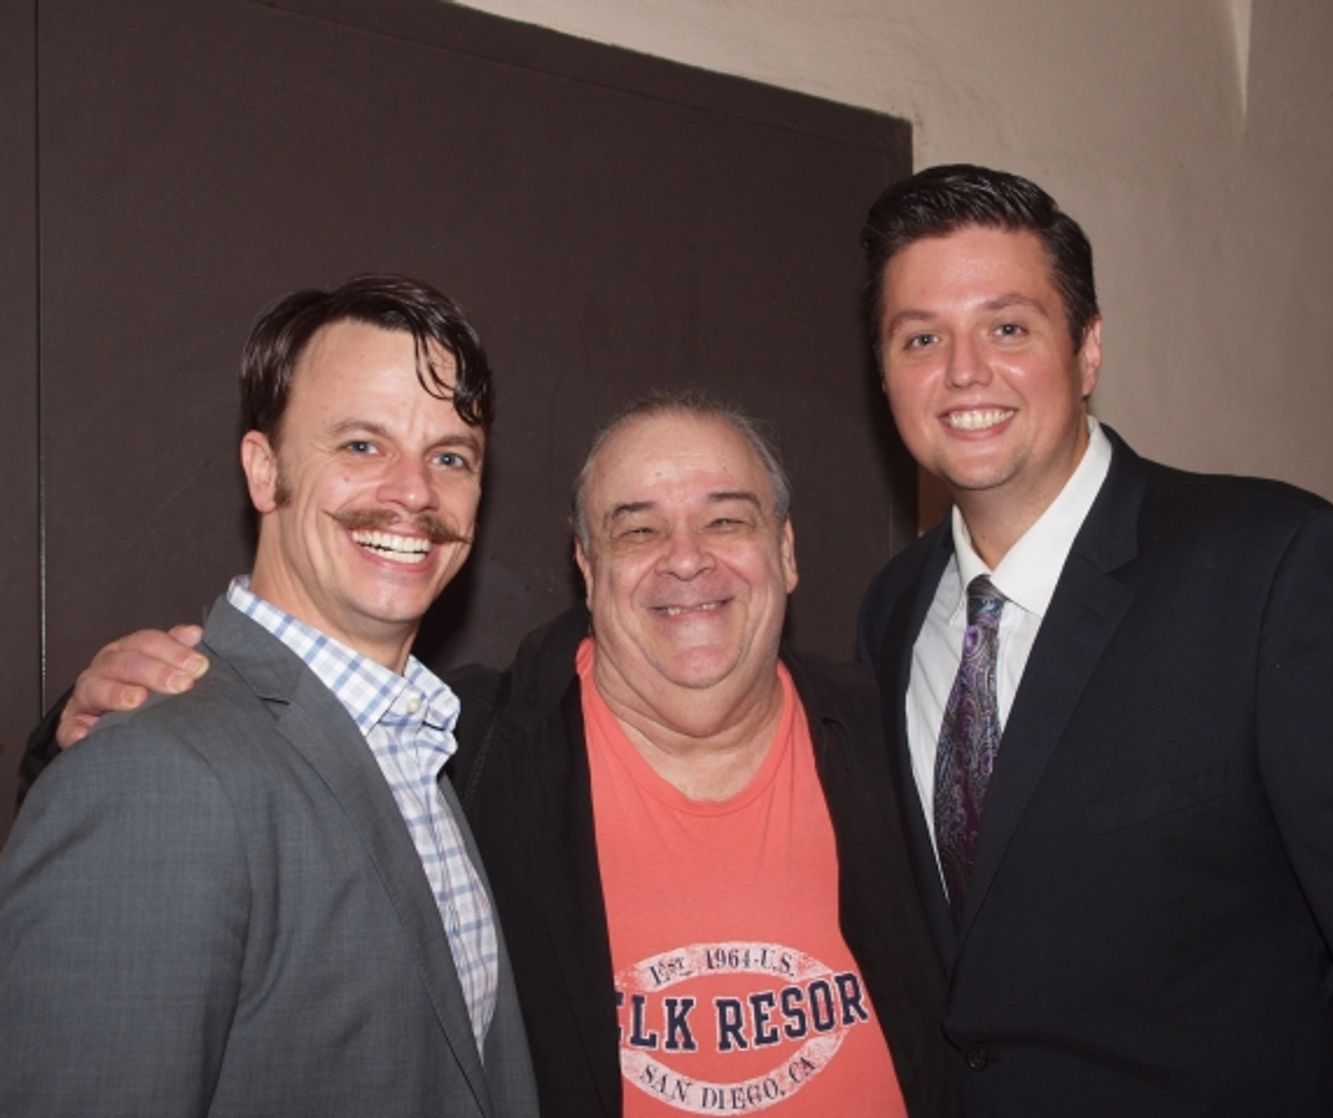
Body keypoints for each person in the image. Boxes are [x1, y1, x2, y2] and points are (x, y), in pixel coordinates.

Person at [22, 393, 956, 1116]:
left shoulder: (896, 731)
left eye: (727, 519)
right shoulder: (456, 751)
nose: (684, 558)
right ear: (586, 572)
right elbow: (222, 775)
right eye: (636, 528)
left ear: (786, 552)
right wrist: (84, 715)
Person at [856, 163, 1333, 1115]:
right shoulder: (889, 612)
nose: (964, 372)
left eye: (1008, 327)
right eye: (921, 338)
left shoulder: (1278, 569)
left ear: (1089, 350)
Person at [1, 275, 538, 1116]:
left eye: (450, 456)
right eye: (362, 445)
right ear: (265, 469)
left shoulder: (423, 742)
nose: (414, 493)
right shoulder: (154, 777)